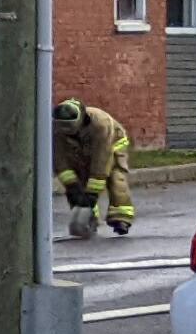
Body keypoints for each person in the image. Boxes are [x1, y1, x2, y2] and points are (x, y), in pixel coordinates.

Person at [54, 94, 135, 238]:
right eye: (63, 127)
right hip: (80, 148)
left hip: (111, 144)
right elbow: (60, 159)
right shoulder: (57, 128)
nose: (66, 130)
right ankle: (90, 218)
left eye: (69, 126)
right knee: (80, 181)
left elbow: (101, 161)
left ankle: (121, 218)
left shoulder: (100, 124)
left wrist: (92, 194)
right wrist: (72, 186)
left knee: (116, 177)